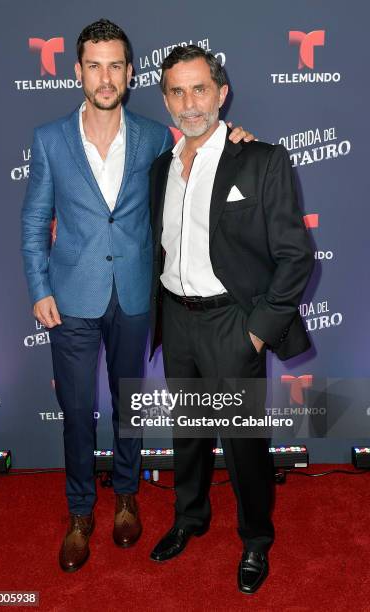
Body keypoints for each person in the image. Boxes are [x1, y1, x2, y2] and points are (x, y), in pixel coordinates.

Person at [21, 19, 253, 573]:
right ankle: (81, 511)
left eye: (116, 65)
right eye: (94, 65)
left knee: (129, 406)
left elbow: (205, 152)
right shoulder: (50, 139)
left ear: (130, 72)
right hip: (70, 298)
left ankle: (126, 496)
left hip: (135, 297)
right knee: (77, 411)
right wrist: (38, 288)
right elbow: (34, 221)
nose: (105, 77)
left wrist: (238, 140)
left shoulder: (155, 136)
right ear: (78, 71)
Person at [148, 45, 314, 594]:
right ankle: (189, 518)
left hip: (231, 324)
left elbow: (296, 256)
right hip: (177, 318)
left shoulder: (261, 159)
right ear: (165, 99)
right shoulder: (160, 170)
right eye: (177, 90)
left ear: (221, 94)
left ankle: (256, 540)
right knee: (188, 434)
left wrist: (257, 329)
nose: (189, 102)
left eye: (200, 89)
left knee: (244, 444)